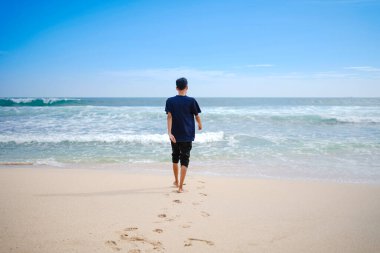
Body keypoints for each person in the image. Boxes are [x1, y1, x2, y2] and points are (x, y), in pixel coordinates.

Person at [165, 77, 202, 193]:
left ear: (176, 88)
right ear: (187, 87)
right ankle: (181, 187)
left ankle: (176, 181)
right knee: (185, 159)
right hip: (187, 135)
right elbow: (196, 116)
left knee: (175, 157)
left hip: (174, 135)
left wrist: (169, 133)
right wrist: (200, 125)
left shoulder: (170, 101)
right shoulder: (191, 101)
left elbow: (169, 117)